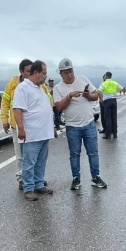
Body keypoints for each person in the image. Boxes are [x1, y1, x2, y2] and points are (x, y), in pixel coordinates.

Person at [53, 58, 107, 190]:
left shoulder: (83, 79)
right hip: (72, 127)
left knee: (93, 153)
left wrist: (88, 95)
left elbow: (95, 95)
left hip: (88, 123)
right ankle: (76, 178)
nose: (70, 75)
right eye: (66, 73)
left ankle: (96, 177)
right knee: (74, 154)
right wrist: (70, 96)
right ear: (61, 74)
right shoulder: (58, 88)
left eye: (71, 71)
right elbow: (59, 107)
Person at [1, 59, 54, 189]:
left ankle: (39, 184)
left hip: (43, 133)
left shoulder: (41, 88)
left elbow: (48, 104)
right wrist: (21, 129)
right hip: (31, 134)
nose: (46, 76)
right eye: (44, 73)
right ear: (36, 72)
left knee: (40, 162)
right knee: (28, 162)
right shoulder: (22, 88)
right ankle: (28, 187)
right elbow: (17, 109)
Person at [99, 71, 125, 139]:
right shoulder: (115, 83)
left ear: (106, 76)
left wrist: (101, 100)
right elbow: (122, 88)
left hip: (107, 101)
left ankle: (108, 134)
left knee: (108, 118)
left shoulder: (104, 83)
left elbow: (99, 91)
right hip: (114, 101)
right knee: (114, 117)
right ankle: (115, 133)